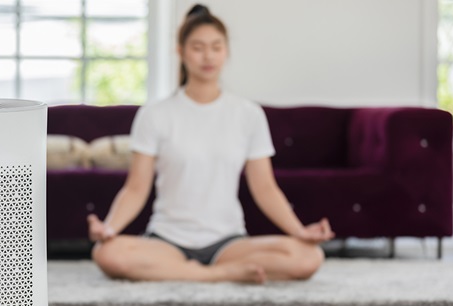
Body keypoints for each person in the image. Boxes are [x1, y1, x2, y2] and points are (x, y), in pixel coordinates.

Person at [87, 4, 334, 284]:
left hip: (228, 243)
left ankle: (195, 274)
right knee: (108, 253)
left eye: (216, 47)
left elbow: (265, 187)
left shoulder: (248, 114)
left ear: (226, 51)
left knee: (308, 257)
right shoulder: (155, 114)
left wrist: (300, 232)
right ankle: (219, 276)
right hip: (167, 241)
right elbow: (136, 187)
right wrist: (109, 228)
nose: (208, 56)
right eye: (198, 47)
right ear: (180, 52)